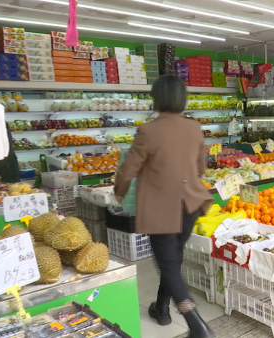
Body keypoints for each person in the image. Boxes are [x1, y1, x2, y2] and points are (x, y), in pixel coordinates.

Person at [114, 75, 214, 338]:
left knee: (168, 265)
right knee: (173, 261)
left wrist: (118, 192)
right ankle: (161, 309)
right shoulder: (194, 128)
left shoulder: (148, 131)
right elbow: (201, 168)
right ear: (182, 99)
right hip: (190, 204)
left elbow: (127, 172)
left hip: (162, 209)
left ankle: (196, 324)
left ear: (156, 99)